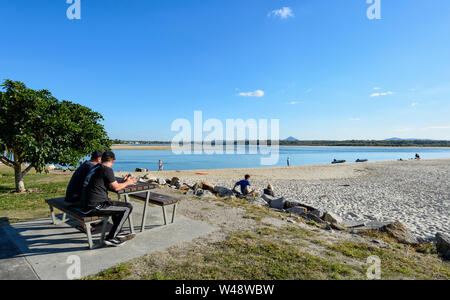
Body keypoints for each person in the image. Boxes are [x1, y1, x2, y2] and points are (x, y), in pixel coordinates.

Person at [81, 151, 137, 247]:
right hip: (95, 206)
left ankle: (117, 232)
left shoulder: (95, 167)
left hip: (85, 204)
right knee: (127, 207)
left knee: (117, 206)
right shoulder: (107, 169)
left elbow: (107, 183)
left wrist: (121, 181)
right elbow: (116, 188)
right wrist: (128, 182)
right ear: (113, 161)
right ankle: (110, 238)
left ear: (101, 159)